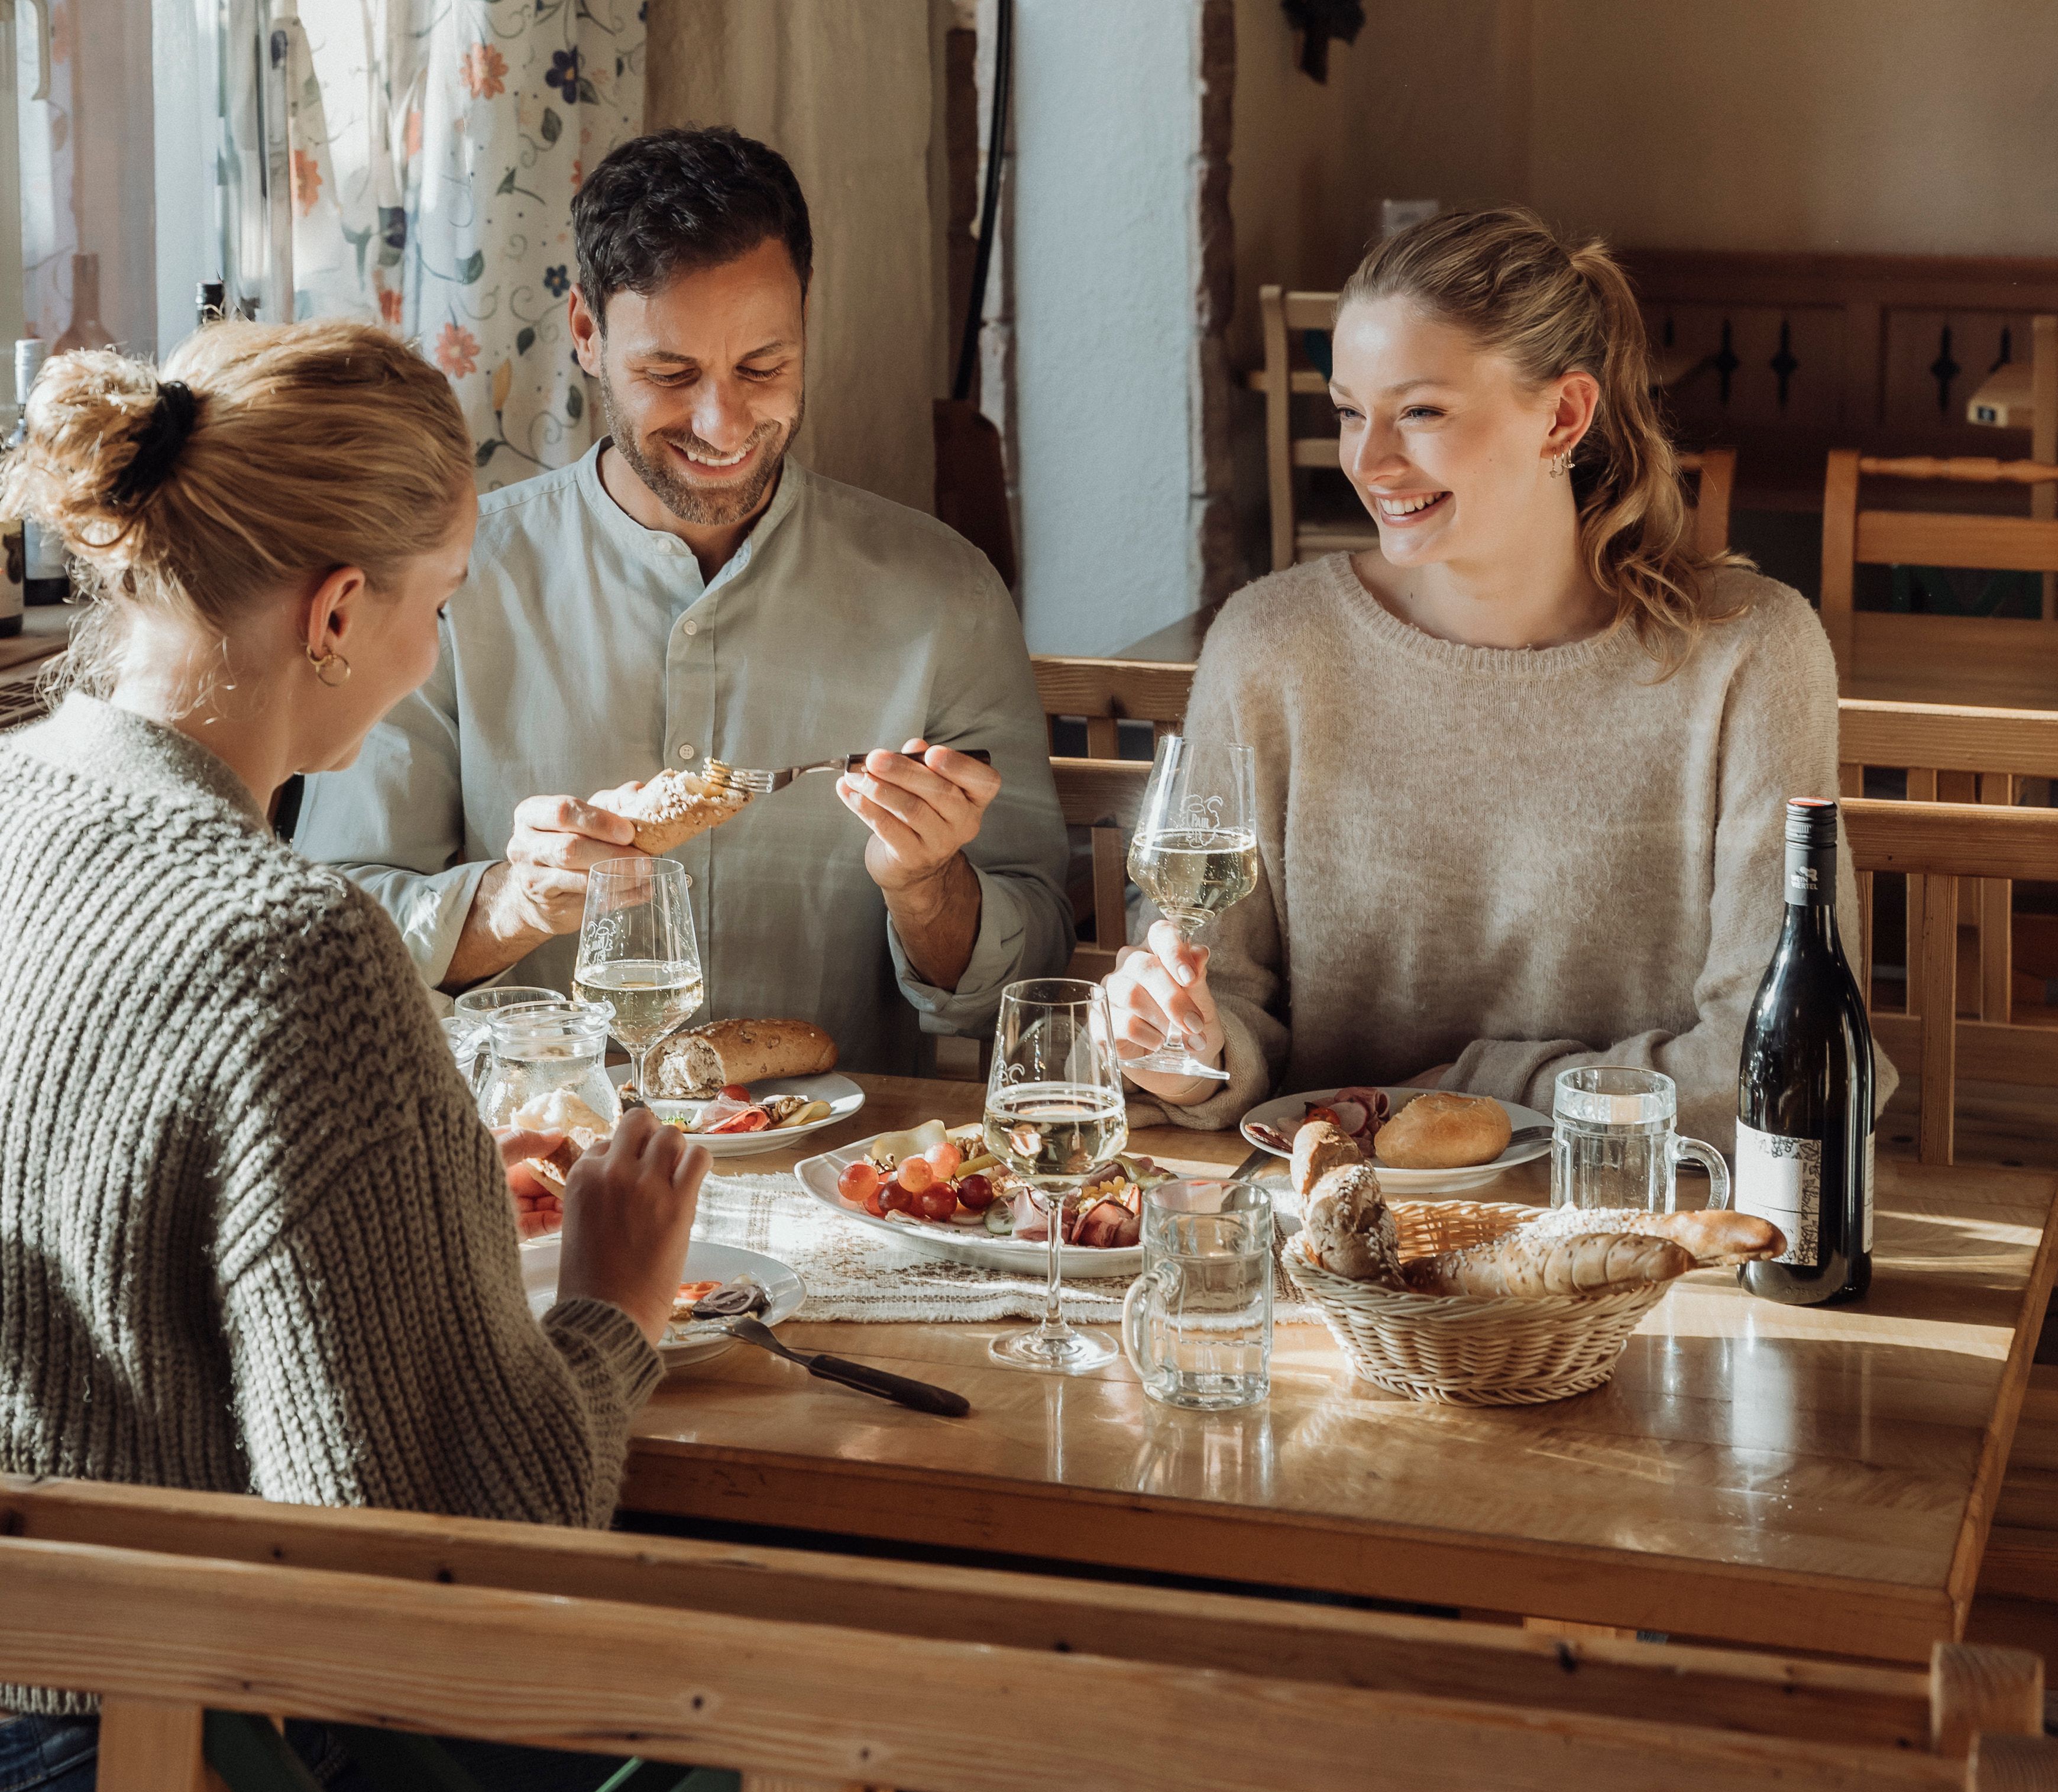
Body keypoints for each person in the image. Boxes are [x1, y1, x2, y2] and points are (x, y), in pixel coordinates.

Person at [0, 321, 710, 1792]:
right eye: (438, 601)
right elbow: (451, 1547)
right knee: (831, 1783)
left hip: (43, 1732)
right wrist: (618, 1308)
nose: (431, 647)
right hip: (167, 1783)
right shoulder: (297, 946)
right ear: (336, 610)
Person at [1108, 208, 1886, 1149]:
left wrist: (1471, 1091)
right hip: (1327, 1234)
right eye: (1351, 411)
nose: (1370, 460)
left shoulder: (1751, 653)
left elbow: (1783, 1063)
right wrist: (1183, 1053)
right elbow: (1221, 1001)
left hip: (1635, 1234)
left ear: (1562, 415)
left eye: (1421, 411)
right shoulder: (1272, 643)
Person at [294, 126, 1070, 1066]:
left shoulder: (945, 596)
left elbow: (1042, 959)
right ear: (586, 333)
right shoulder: (446, 583)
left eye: (763, 367)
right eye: (670, 374)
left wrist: (929, 885)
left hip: (841, 1175)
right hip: (534, 1168)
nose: (723, 423)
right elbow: (331, 933)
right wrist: (514, 900)